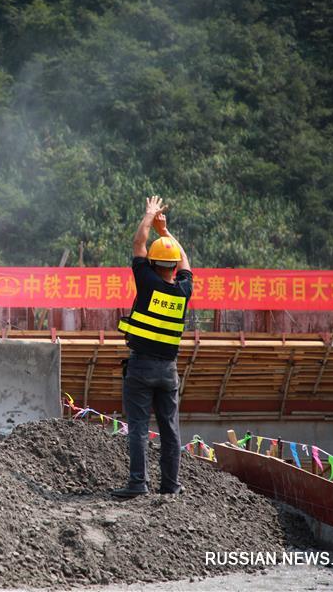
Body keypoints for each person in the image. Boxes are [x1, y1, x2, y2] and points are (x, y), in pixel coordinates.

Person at [111, 195, 192, 498]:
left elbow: (137, 244)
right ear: (172, 266)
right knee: (170, 430)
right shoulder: (183, 289)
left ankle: (137, 485)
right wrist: (166, 231)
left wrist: (149, 216)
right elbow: (184, 261)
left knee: (138, 429)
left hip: (142, 366)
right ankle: (170, 485)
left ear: (153, 263)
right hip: (168, 370)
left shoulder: (147, 282)